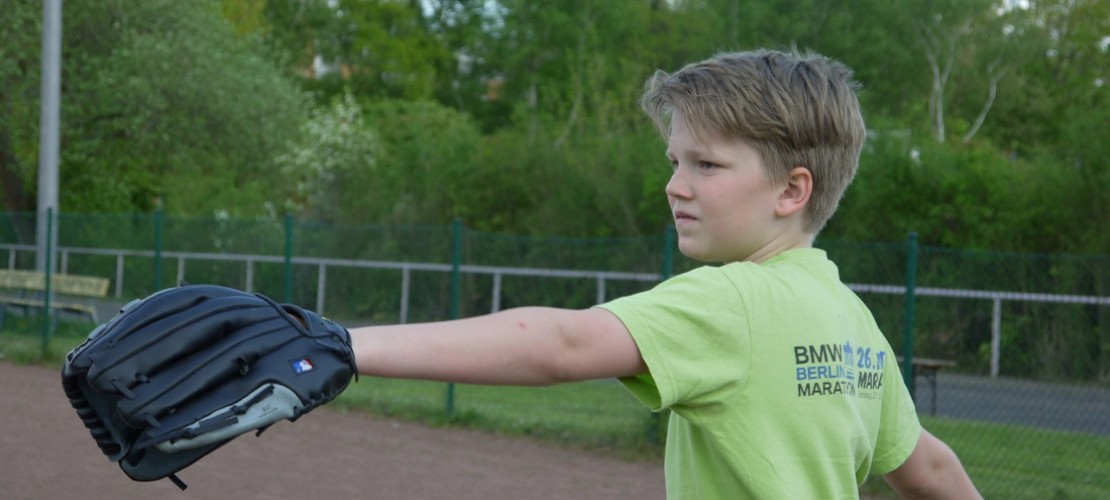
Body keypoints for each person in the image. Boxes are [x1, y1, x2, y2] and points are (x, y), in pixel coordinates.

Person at [348, 48, 981, 499]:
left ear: (791, 190)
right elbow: (929, 471)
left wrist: (341, 344)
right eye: (675, 160)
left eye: (705, 165)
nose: (674, 185)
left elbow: (563, 345)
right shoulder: (855, 321)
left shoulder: (732, 299)